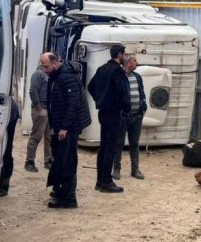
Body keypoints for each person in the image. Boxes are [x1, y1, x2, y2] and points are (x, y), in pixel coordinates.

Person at [42, 52, 90, 209]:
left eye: (46, 66)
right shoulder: (58, 75)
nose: (44, 69)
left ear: (56, 63)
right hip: (62, 125)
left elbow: (73, 104)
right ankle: (61, 190)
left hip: (69, 127)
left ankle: (69, 198)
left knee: (68, 160)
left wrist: (64, 127)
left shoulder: (66, 77)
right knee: (61, 158)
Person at [87, 44, 130, 193]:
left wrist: (99, 100)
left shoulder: (102, 69)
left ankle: (100, 181)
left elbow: (90, 86)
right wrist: (125, 108)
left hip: (103, 112)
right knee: (110, 147)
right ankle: (106, 181)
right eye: (124, 55)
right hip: (113, 113)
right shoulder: (117, 71)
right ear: (120, 55)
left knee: (104, 147)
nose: (124, 57)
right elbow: (121, 92)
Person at [113, 53, 147, 180]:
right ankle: (116, 169)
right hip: (123, 116)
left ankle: (135, 169)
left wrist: (143, 108)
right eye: (134, 60)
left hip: (136, 116)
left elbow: (141, 93)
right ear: (128, 63)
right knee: (119, 143)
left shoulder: (137, 77)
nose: (136, 62)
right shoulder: (120, 77)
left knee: (135, 143)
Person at [24, 63, 53, 172]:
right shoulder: (38, 74)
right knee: (36, 137)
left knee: (49, 137)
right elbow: (33, 90)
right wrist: (38, 107)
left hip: (48, 110)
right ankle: (29, 161)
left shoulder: (47, 74)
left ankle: (48, 160)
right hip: (41, 109)